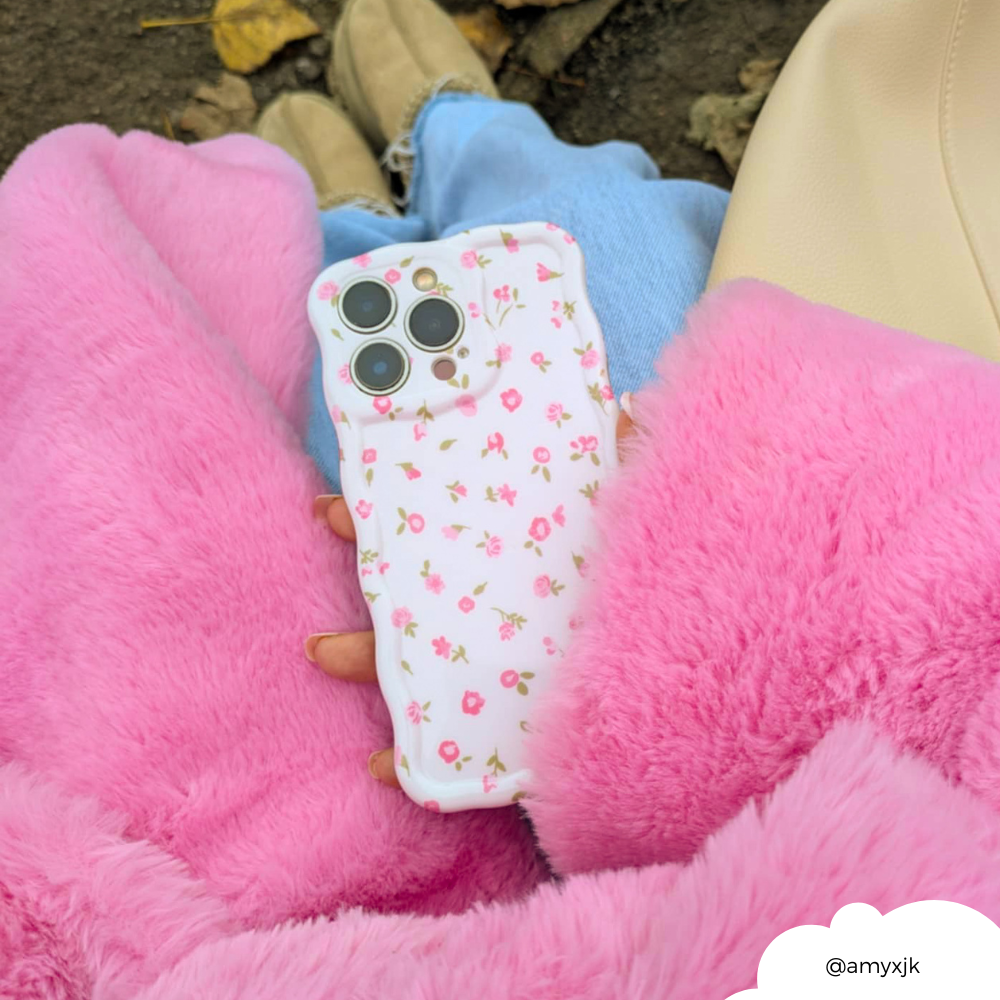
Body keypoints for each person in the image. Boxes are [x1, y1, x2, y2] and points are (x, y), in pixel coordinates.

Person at [256, 0, 729, 786]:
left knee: (592, 245)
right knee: (605, 239)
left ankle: (362, 223)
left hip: (642, 803)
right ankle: (452, 138)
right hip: (788, 735)